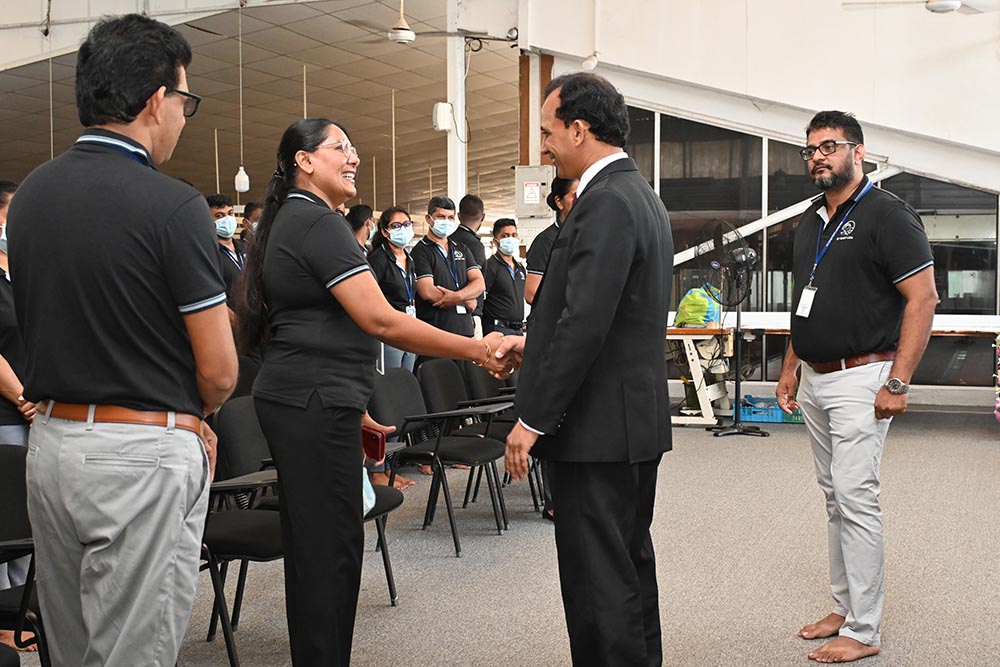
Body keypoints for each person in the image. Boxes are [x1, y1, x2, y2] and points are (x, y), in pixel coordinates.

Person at [6, 14, 238, 666]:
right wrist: (195, 415)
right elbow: (220, 369)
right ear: (157, 100)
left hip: (51, 444)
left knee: (71, 647)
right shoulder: (173, 205)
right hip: (139, 452)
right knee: (133, 651)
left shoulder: (31, 196)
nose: (184, 117)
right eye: (185, 100)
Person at [236, 117, 507, 666]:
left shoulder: (297, 218)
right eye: (341, 148)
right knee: (327, 548)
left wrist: (353, 400)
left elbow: (313, 327)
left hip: (312, 398)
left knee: (323, 543)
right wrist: (478, 350)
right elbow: (379, 319)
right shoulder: (317, 222)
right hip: (310, 401)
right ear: (304, 161)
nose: (353, 157)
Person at [499, 72, 674, 667]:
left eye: (548, 132)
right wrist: (531, 347)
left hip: (595, 430)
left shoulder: (605, 202)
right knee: (626, 568)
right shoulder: (638, 195)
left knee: (598, 585)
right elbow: (605, 316)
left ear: (579, 129)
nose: (544, 146)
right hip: (625, 422)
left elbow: (585, 323)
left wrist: (532, 419)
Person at [775, 110, 937, 664]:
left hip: (864, 377)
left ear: (858, 152)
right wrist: (791, 364)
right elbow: (807, 299)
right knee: (835, 499)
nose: (818, 157)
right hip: (816, 378)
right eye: (811, 149)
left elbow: (923, 299)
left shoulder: (888, 215)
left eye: (829, 146)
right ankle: (844, 608)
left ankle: (864, 629)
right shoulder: (811, 219)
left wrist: (899, 381)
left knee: (856, 498)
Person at [0, 181, 37, 654]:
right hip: (8, 409)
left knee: (28, 514)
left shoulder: (21, 273)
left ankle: (24, 606)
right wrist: (24, 398)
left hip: (37, 408)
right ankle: (3, 619)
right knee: (4, 513)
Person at [409, 195, 485, 367]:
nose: (446, 222)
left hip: (465, 331)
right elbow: (427, 291)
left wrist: (456, 297)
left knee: (466, 381)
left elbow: (479, 283)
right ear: (429, 219)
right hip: (437, 334)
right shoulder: (421, 251)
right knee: (439, 380)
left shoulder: (461, 249)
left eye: (450, 218)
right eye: (441, 217)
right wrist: (465, 299)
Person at [368, 206, 418, 372]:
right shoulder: (378, 259)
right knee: (392, 378)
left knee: (407, 378)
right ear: (385, 232)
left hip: (410, 328)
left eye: (407, 224)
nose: (403, 229)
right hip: (390, 331)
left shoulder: (409, 259)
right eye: (396, 226)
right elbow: (371, 296)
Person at [525, 175, 578, 305]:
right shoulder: (546, 241)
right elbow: (532, 294)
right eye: (575, 195)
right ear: (559, 202)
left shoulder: (586, 235)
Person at [482, 218, 526, 336]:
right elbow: (481, 298)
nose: (510, 239)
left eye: (514, 235)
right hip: (497, 329)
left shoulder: (520, 268)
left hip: (518, 330)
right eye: (505, 236)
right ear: (495, 242)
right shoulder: (490, 266)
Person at [206, 193, 247, 316]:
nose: (227, 219)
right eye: (219, 216)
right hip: (230, 320)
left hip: (253, 317)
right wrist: (235, 322)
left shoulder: (246, 247)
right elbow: (212, 296)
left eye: (230, 213)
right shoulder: (208, 254)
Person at [453, 194, 488, 330]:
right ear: (483, 217)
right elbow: (474, 280)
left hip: (448, 312)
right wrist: (467, 299)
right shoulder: (475, 245)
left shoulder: (449, 241)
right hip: (470, 314)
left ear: (458, 216)